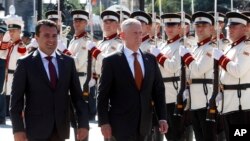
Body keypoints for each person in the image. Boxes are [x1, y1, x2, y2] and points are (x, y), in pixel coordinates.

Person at [9, 20, 89, 141]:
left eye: (54, 36)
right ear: (36, 37)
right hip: (35, 131)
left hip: (60, 130)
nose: (51, 40)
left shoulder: (68, 62)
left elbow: (78, 97)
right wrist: (18, 130)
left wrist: (83, 124)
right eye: (46, 35)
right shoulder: (25, 63)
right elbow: (16, 102)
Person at [97, 18, 168, 141]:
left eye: (140, 33)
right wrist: (104, 122)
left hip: (144, 126)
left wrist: (162, 117)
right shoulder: (111, 61)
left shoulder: (150, 60)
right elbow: (102, 95)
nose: (139, 36)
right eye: (135, 33)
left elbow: (158, 91)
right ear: (123, 35)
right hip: (120, 126)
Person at [179, 11, 218, 141]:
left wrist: (186, 55)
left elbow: (198, 69)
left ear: (211, 28)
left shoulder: (212, 48)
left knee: (208, 136)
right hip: (193, 99)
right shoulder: (195, 48)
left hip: (205, 98)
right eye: (197, 26)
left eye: (204, 26)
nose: (200, 29)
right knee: (199, 136)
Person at [212, 12, 250, 141]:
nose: (230, 29)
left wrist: (221, 58)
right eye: (229, 26)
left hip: (240, 104)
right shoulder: (230, 47)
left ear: (244, 28)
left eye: (234, 26)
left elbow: (238, 71)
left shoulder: (247, 47)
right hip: (227, 103)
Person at [68, 9, 97, 121]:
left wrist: (64, 53)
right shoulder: (73, 40)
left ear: (86, 23)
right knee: (74, 120)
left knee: (83, 120)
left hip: (82, 81)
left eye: (80, 20)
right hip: (73, 80)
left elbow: (77, 63)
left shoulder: (86, 41)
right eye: (75, 20)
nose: (77, 23)